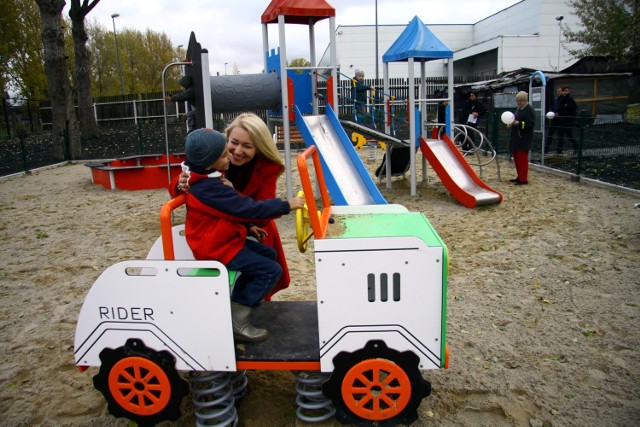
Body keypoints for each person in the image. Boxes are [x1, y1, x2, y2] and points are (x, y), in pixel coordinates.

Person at [182, 128, 304, 342]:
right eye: (224, 154)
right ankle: (237, 320)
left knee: (268, 255)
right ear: (210, 162)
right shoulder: (209, 186)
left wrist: (248, 227)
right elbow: (246, 207)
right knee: (270, 270)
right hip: (216, 247)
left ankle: (238, 304)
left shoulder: (206, 175)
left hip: (225, 239)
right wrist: (286, 205)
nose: (230, 155)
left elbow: (227, 210)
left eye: (247, 146)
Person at [171, 113, 291, 301]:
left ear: (258, 148)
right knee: (260, 269)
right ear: (226, 138)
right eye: (234, 142)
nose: (237, 151)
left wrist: (234, 194)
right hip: (221, 233)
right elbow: (189, 178)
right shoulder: (214, 157)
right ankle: (237, 310)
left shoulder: (266, 168)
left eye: (247, 146)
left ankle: (246, 309)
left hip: (254, 226)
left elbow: (259, 215)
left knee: (265, 269)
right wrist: (181, 182)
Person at [507, 91, 536, 185]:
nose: (519, 102)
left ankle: (523, 179)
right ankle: (519, 176)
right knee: (517, 158)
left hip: (523, 138)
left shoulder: (529, 110)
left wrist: (519, 124)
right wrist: (512, 123)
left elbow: (530, 124)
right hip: (516, 138)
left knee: (522, 159)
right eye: (518, 101)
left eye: (521, 100)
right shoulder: (519, 109)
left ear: (525, 100)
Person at [555, 86, 579, 154]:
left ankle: (576, 147)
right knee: (561, 135)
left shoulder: (569, 99)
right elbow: (560, 108)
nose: (564, 92)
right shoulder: (562, 99)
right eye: (563, 91)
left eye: (566, 91)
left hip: (568, 120)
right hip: (562, 120)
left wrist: (561, 112)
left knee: (568, 134)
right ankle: (559, 150)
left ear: (569, 91)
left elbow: (570, 109)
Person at [544, 87, 563, 154]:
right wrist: (551, 113)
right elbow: (553, 108)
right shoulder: (556, 100)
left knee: (560, 136)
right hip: (554, 119)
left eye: (560, 91)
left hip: (560, 120)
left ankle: (559, 150)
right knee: (550, 134)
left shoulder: (564, 100)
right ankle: (546, 149)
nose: (558, 93)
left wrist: (559, 113)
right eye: (558, 91)